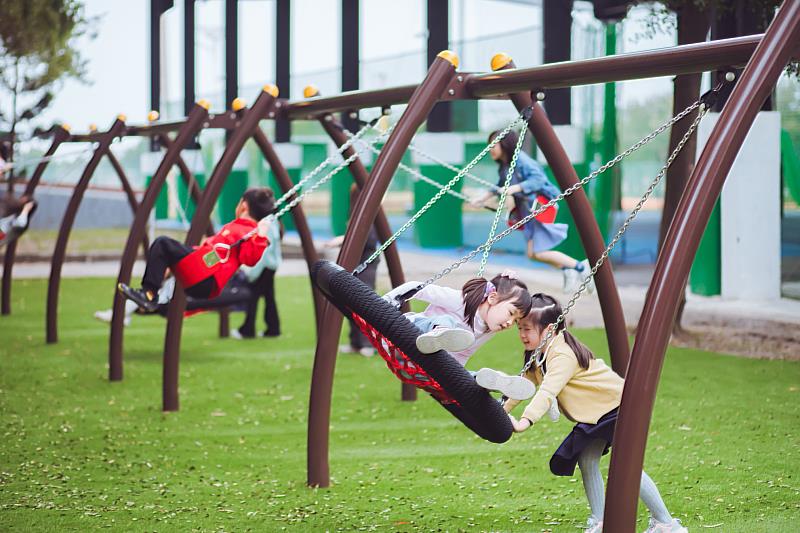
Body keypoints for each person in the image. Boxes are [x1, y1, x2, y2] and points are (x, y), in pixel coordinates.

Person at [503, 293, 687, 533]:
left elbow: (547, 391)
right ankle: (600, 523)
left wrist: (526, 421)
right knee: (587, 459)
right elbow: (523, 386)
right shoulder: (539, 355)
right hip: (598, 413)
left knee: (626, 465)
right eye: (519, 328)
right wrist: (501, 411)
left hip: (619, 406)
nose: (521, 335)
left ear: (549, 330)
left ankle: (666, 524)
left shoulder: (563, 355)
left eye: (526, 329)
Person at [470, 130, 593, 294]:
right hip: (527, 212)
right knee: (533, 254)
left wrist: (515, 188)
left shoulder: (521, 160)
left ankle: (580, 266)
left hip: (539, 208)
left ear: (505, 143)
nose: (490, 149)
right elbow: (500, 185)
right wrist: (482, 199)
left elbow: (539, 180)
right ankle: (569, 268)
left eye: (494, 144)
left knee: (537, 252)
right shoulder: (505, 166)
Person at [382, 271, 535, 400]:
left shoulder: (488, 331)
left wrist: (454, 375)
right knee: (447, 322)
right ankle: (440, 332)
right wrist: (387, 301)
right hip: (406, 337)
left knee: (462, 376)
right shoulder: (460, 300)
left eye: (515, 321)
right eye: (510, 313)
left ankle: (492, 380)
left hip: (417, 366)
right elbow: (418, 288)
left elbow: (464, 353)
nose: (510, 322)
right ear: (492, 298)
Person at [118, 187, 272, 312]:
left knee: (162, 243)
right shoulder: (237, 227)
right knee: (164, 249)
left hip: (206, 278)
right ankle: (149, 293)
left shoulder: (251, 233)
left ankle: (149, 294)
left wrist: (261, 236)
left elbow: (249, 259)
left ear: (243, 205)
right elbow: (214, 255)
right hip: (201, 271)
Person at [327, 184, 381, 357]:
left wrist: (342, 239)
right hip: (357, 264)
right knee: (351, 303)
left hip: (366, 263)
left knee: (363, 305)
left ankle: (366, 343)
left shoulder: (369, 214)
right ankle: (356, 342)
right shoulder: (357, 214)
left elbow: (369, 239)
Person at [95, 272, 252, 326]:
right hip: (167, 298)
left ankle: (120, 315)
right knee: (143, 298)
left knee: (145, 299)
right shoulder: (173, 279)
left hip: (172, 301)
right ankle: (121, 315)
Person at [232, 188, 283, 339]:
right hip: (270, 266)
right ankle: (273, 328)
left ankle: (247, 330)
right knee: (268, 298)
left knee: (252, 297)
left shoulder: (266, 226)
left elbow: (264, 252)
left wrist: (252, 273)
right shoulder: (273, 223)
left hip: (264, 267)